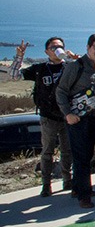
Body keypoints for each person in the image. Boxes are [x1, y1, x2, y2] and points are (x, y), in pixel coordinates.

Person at [55, 34, 95, 209]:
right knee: (80, 157)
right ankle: (84, 196)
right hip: (77, 119)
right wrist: (67, 114)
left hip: (94, 118)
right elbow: (61, 91)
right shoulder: (75, 67)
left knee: (87, 155)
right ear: (88, 47)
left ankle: (79, 188)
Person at [19, 37, 74, 196]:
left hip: (66, 115)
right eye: (53, 47)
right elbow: (15, 75)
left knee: (67, 150)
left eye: (60, 47)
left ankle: (67, 180)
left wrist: (72, 58)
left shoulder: (70, 67)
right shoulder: (39, 69)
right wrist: (20, 57)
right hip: (47, 116)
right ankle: (46, 184)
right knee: (47, 151)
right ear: (46, 51)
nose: (57, 49)